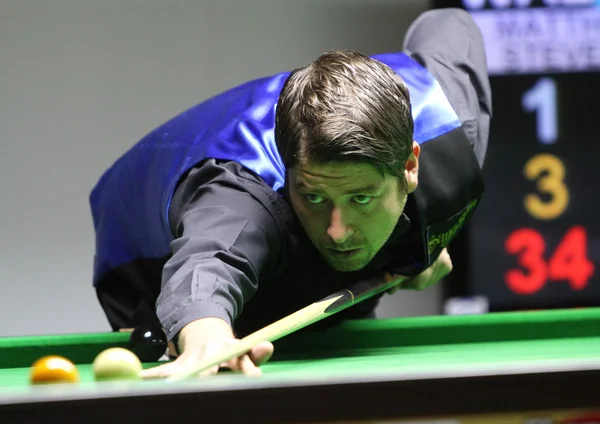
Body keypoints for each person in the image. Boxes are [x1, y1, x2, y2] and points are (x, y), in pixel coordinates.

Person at [90, 8, 492, 378]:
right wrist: (205, 334)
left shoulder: (453, 123)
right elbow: (210, 261)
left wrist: (418, 242)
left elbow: (449, 23)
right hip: (146, 259)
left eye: (361, 199)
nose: (338, 231)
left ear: (410, 166)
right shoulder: (242, 198)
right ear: (289, 171)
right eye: (315, 196)